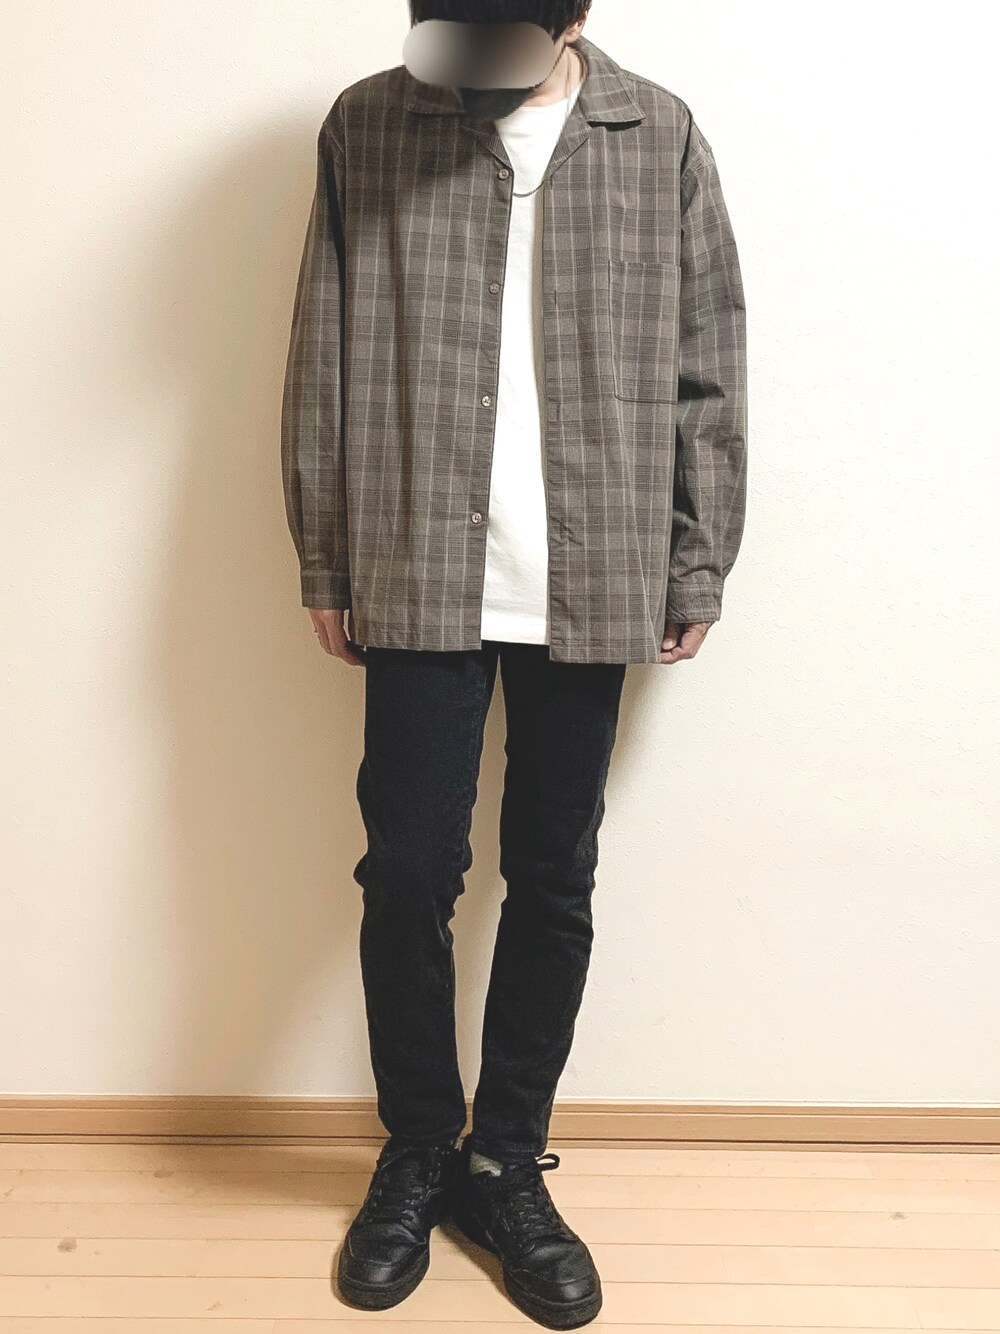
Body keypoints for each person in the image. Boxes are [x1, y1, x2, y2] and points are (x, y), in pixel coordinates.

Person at [280, 0, 747, 1326]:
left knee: (553, 873)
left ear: (573, 16)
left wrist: (696, 556)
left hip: (592, 576)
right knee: (407, 872)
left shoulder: (658, 136)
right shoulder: (373, 123)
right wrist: (326, 552)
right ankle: (421, 1148)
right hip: (417, 562)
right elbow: (322, 346)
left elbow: (711, 361)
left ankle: (505, 1161)